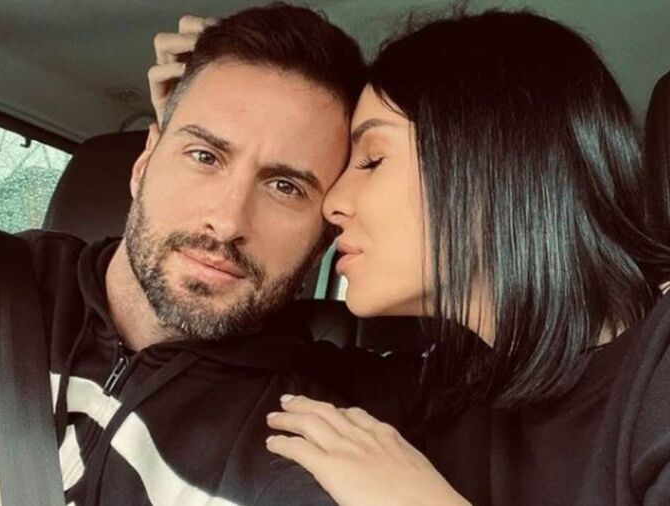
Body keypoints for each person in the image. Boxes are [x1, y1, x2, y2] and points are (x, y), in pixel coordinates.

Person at [0, 4, 418, 505]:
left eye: (285, 186)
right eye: (204, 156)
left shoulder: (324, 434)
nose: (228, 221)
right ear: (144, 163)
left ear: (324, 235)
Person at [252, 9, 670, 506]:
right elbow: (233, 370)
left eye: (372, 160)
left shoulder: (658, 373)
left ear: (497, 160)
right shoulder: (453, 394)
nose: (333, 203)